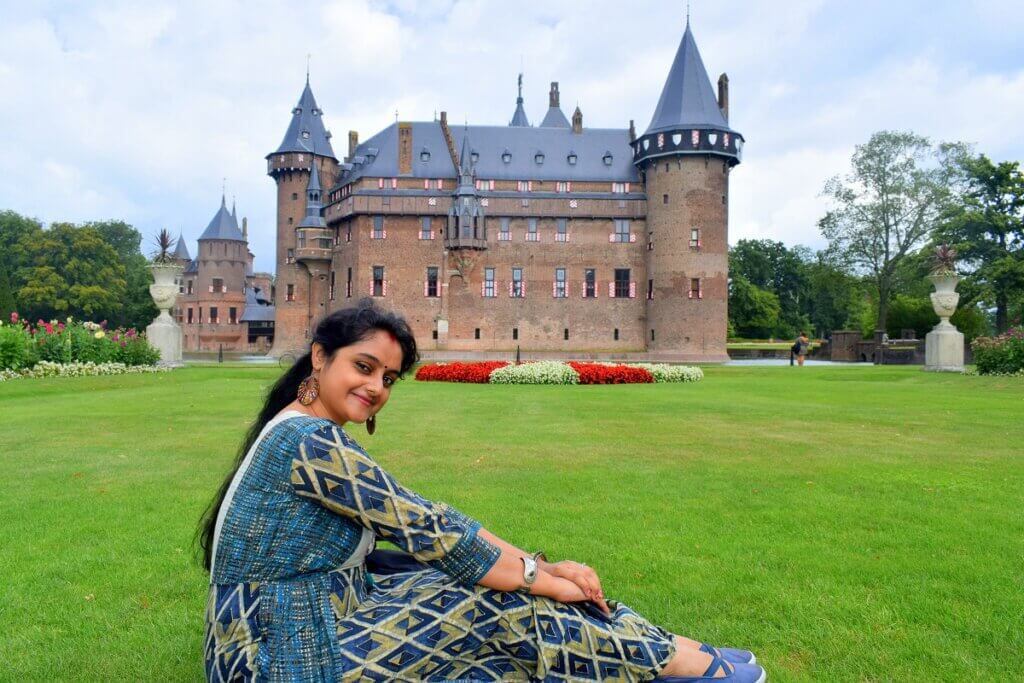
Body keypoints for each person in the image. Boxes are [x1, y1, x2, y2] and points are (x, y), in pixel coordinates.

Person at [198, 301, 766, 682]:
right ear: (320, 357)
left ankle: (661, 650)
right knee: (490, 602)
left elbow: (437, 528)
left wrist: (541, 566)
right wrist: (544, 579)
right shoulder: (307, 442)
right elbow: (428, 529)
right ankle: (676, 663)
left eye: (388, 378)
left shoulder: (303, 430)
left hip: (308, 624)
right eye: (364, 367)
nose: (375, 388)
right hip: (278, 657)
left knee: (491, 640)